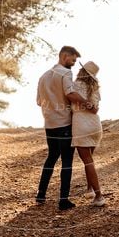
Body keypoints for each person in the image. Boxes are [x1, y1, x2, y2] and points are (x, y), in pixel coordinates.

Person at [35, 46, 97, 211]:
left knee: (51, 158)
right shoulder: (65, 73)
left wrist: (52, 108)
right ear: (64, 56)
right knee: (67, 162)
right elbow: (70, 94)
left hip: (49, 124)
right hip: (64, 123)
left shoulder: (43, 76)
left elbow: (39, 101)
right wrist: (88, 104)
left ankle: (41, 195)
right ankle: (63, 200)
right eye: (73, 59)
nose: (74, 63)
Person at [71, 61, 105, 206]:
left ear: (83, 71)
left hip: (81, 123)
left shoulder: (76, 84)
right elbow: (95, 108)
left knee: (88, 161)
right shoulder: (96, 87)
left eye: (81, 68)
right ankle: (90, 189)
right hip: (95, 125)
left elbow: (71, 99)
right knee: (89, 159)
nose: (78, 70)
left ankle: (99, 196)